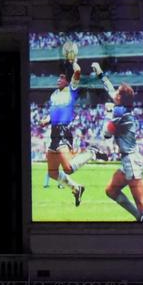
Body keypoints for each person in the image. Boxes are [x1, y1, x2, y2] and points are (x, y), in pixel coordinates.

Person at [97, 63, 143, 222]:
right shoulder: (122, 108)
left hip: (131, 161)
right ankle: (139, 218)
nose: (113, 93)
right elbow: (110, 91)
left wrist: (108, 112)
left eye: (117, 93)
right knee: (111, 191)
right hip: (129, 160)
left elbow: (106, 134)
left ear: (120, 98)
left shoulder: (119, 113)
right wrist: (101, 74)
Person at [42, 57, 86, 205]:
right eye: (58, 77)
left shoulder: (71, 91)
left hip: (63, 131)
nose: (58, 80)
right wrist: (46, 120)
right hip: (54, 133)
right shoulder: (54, 95)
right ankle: (76, 188)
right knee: (52, 172)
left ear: (67, 80)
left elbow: (78, 71)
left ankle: (91, 152)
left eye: (61, 78)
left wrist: (74, 61)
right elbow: (53, 112)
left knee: (67, 168)